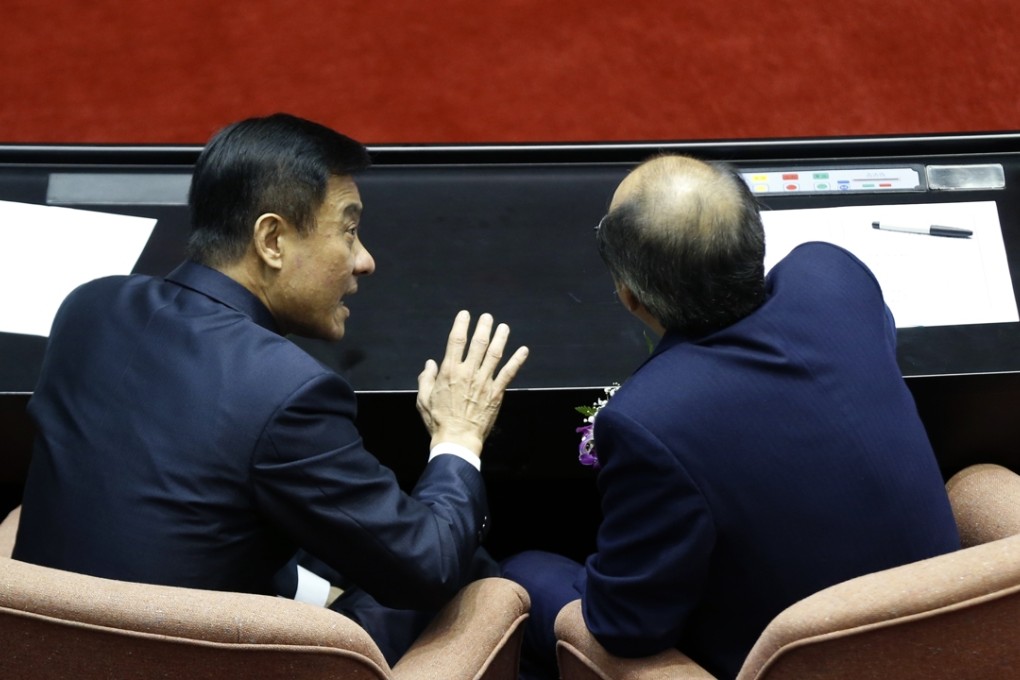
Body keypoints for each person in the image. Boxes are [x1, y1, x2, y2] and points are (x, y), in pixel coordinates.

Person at [13, 113, 529, 663]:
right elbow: (427, 568)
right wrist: (459, 437)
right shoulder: (290, 392)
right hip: (191, 663)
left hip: (45, 646)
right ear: (272, 239)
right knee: (468, 572)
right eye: (349, 230)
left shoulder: (89, 306)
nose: (365, 260)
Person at [501, 154, 960, 680]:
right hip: (956, 636)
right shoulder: (834, 276)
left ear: (631, 298)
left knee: (523, 572)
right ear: (755, 242)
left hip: (794, 660)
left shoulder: (649, 420)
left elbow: (625, 627)